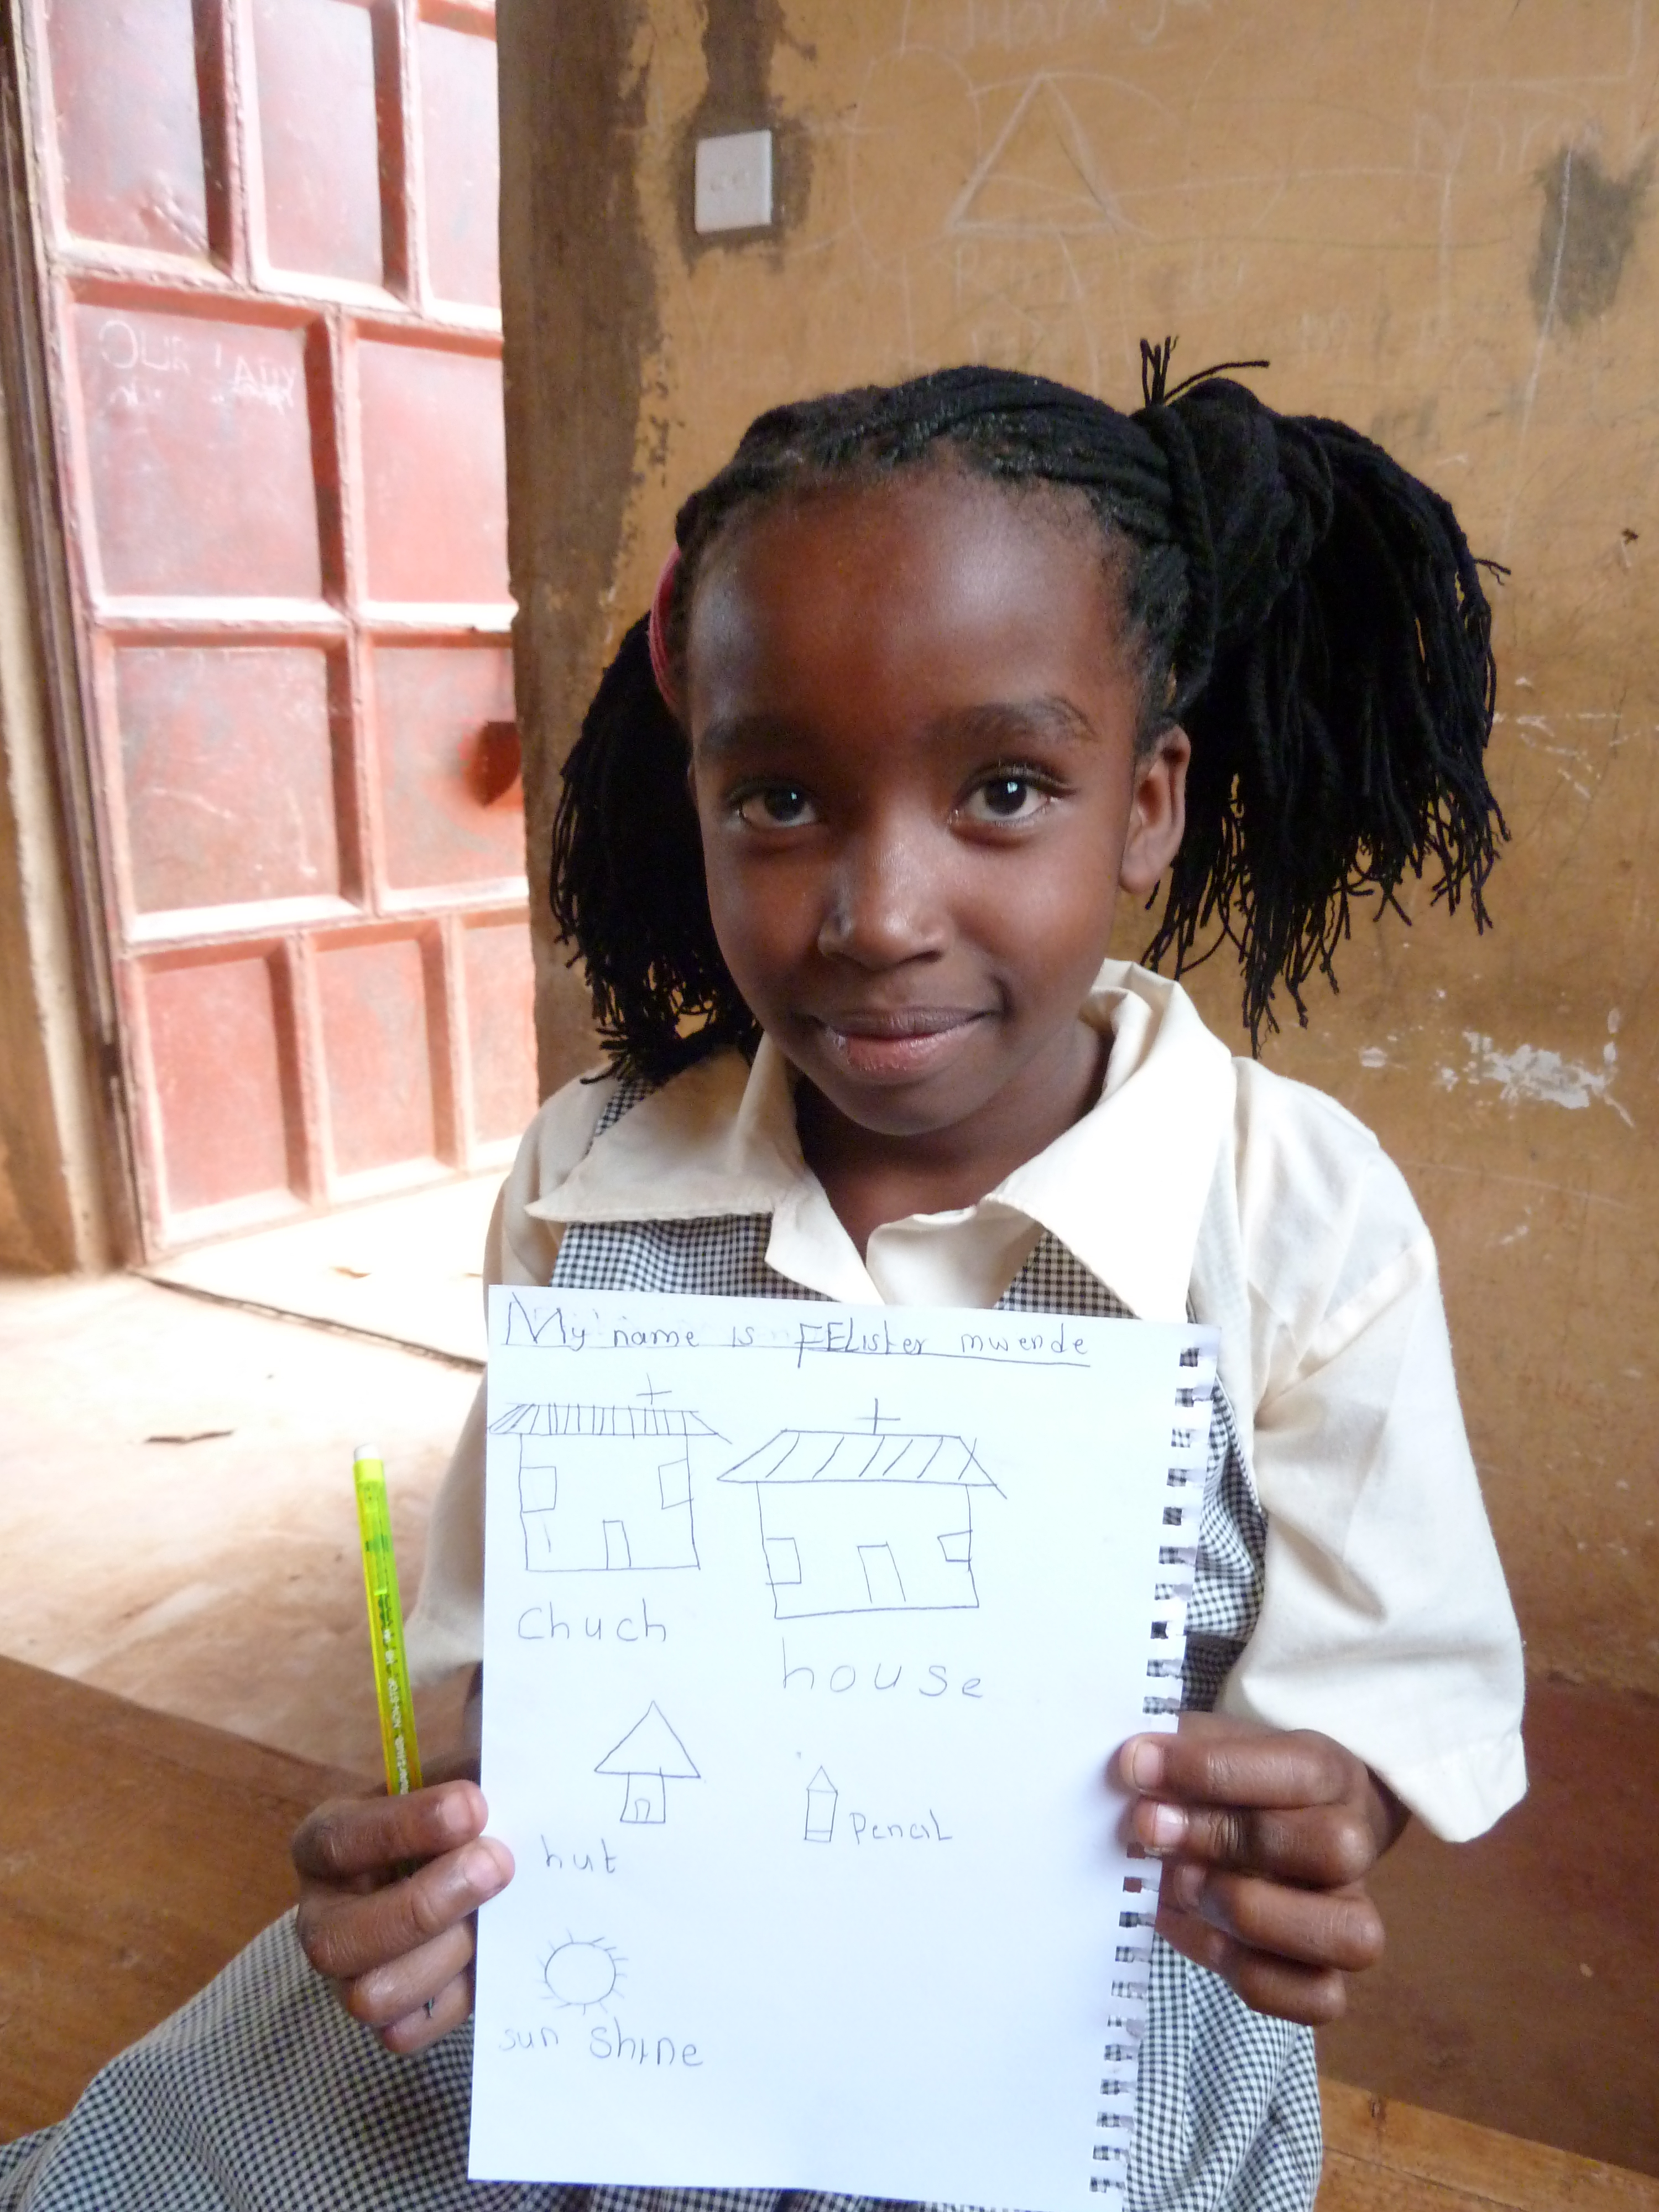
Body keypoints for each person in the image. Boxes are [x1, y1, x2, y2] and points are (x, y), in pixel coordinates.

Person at [0, 354, 1525, 2212]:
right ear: (700, 797)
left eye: (1006, 790)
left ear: (1147, 804)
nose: (881, 916)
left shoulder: (1294, 1217)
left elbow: (1395, 1682)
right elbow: (497, 1677)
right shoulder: (594, 1181)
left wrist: (1325, 1802)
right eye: (783, 798)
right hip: (625, 2014)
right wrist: (431, 1839)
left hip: (1068, 2045)